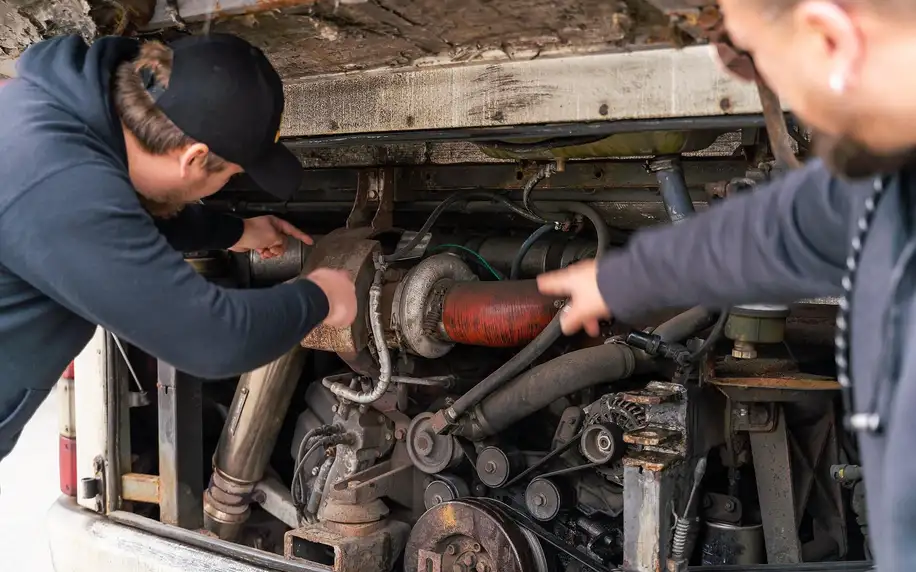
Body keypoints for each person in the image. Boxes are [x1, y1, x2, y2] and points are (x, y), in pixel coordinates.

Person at [538, 0, 916, 568]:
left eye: (752, 58)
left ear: (827, 39)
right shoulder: (885, 178)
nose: (752, 80)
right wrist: (618, 279)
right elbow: (782, 229)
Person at [0, 33, 357, 461]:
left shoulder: (54, 116)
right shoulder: (55, 182)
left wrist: (236, 231)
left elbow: (114, 221)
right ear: (193, 158)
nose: (230, 184)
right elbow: (213, 341)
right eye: (231, 175)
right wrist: (322, 296)